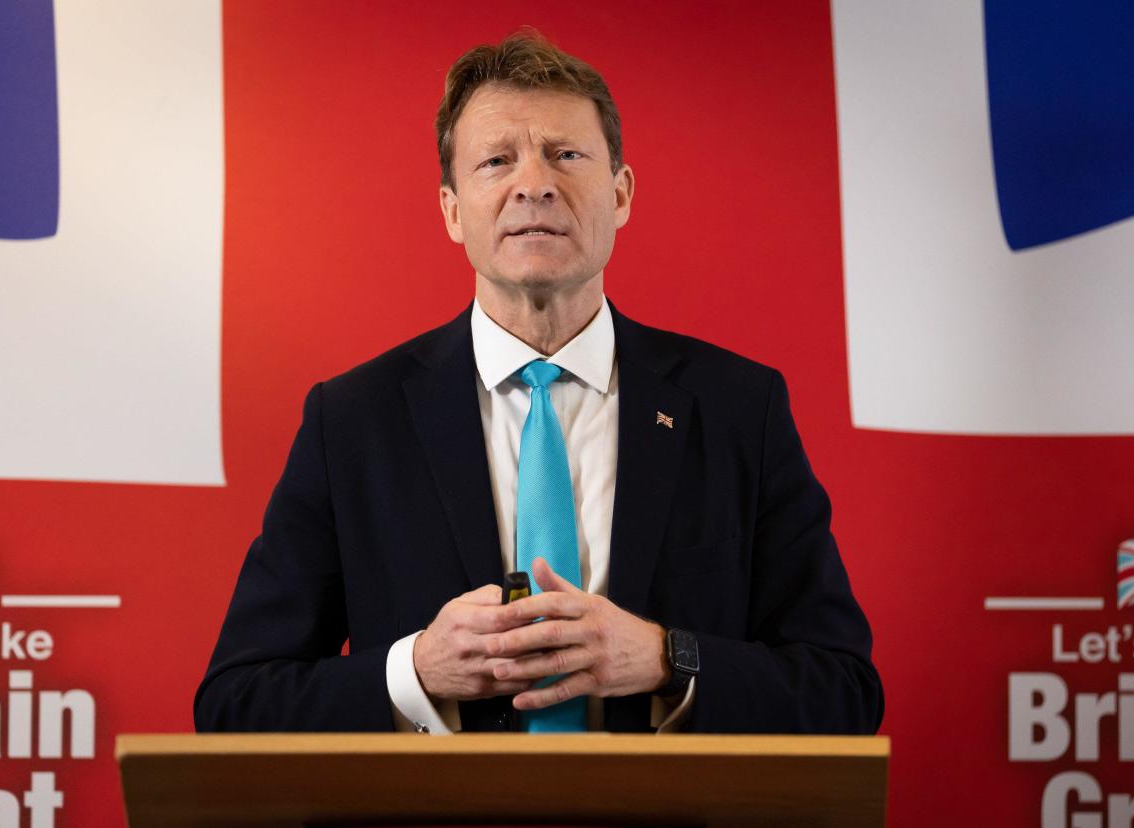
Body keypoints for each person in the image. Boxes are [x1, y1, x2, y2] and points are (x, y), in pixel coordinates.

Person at [194, 32, 883, 735]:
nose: (534, 184)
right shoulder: (352, 423)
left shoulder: (739, 410)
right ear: (452, 211)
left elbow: (843, 692)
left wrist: (666, 658)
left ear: (620, 195)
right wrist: (417, 671)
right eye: (497, 160)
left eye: (566, 155)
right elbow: (234, 702)